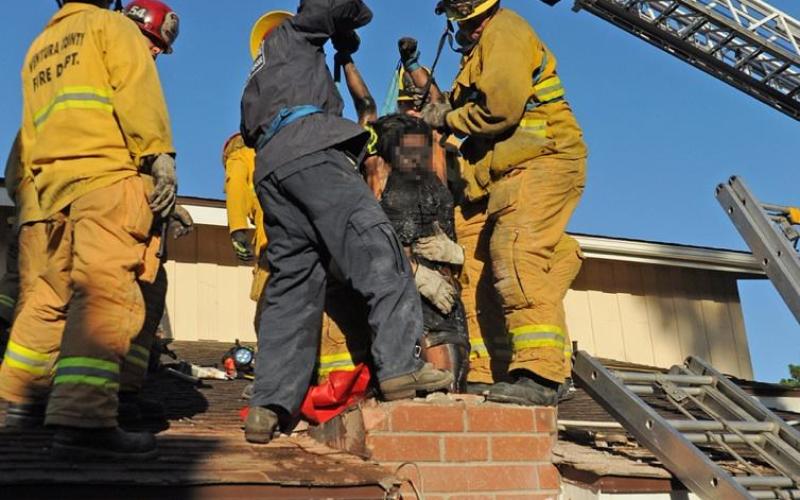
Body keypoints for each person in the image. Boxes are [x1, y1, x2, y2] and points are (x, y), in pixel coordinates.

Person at [240, 0, 453, 444]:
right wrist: (345, 27)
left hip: (273, 170)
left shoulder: (259, 75)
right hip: (314, 154)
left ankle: (268, 406)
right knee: (378, 249)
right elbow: (339, 5)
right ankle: (400, 368)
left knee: (293, 284)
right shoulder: (295, 33)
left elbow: (250, 131)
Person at [0, 0, 178, 459]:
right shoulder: (110, 26)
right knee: (104, 293)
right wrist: (160, 155)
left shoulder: (40, 46)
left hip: (54, 191)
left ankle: (20, 398)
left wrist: (40, 193)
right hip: (107, 179)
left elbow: (30, 133)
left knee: (49, 295)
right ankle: (85, 421)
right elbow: (135, 92)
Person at [419, 0, 588, 406]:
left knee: (516, 254)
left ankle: (542, 373)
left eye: (468, 18)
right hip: (493, 177)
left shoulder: (505, 32)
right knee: (471, 268)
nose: (465, 28)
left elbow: (501, 110)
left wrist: (445, 119)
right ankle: (487, 370)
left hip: (540, 158)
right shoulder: (479, 48)